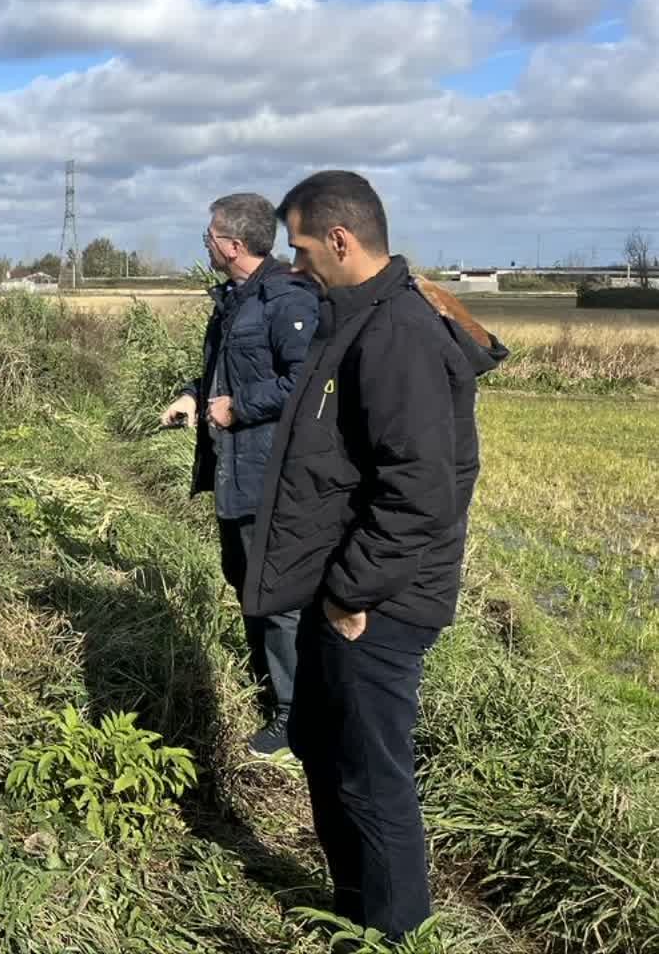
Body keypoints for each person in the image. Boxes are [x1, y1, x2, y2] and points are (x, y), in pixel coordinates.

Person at [246, 170, 506, 940]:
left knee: (371, 778)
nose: (293, 266)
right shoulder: (353, 317)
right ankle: (351, 912)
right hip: (352, 587)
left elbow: (420, 488)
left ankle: (393, 933)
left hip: (379, 603)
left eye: (299, 249)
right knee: (325, 751)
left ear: (339, 238)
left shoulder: (394, 332)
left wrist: (351, 594)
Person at [162, 192, 319, 757]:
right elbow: (220, 370)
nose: (204, 244)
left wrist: (238, 407)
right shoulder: (232, 300)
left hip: (270, 475)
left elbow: (307, 379)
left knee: (276, 597)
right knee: (245, 581)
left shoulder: (287, 300)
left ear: (231, 245)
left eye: (208, 237)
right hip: (234, 473)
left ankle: (293, 717)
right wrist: (192, 395)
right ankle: (267, 688)